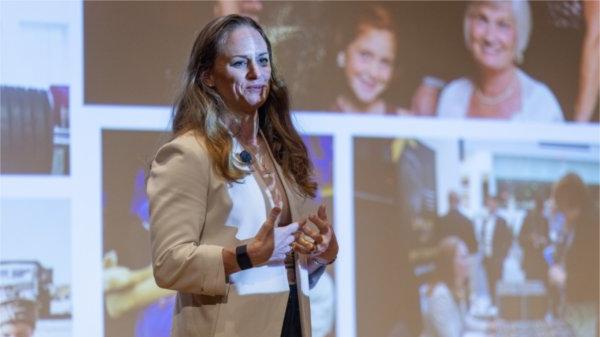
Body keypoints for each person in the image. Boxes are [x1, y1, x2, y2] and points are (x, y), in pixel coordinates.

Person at [147, 15, 338, 337]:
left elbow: (289, 258)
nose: (256, 73)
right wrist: (247, 255)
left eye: (263, 61)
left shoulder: (281, 149)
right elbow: (169, 263)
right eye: (240, 63)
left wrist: (322, 249)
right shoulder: (188, 154)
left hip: (292, 320)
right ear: (208, 75)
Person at [436, 0, 564, 122]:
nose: (490, 37)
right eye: (482, 19)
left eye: (503, 24)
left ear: (520, 33)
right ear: (469, 26)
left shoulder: (540, 103)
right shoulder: (452, 96)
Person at [331, 5, 410, 115]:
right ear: (342, 55)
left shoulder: (403, 122)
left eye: (385, 62)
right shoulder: (317, 118)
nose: (374, 73)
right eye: (365, 56)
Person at [546, 173, 598, 336]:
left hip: (587, 310)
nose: (562, 215)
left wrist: (562, 278)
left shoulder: (592, 227)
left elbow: (591, 279)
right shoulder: (576, 224)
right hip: (575, 308)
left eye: (562, 209)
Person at [421, 236, 494, 337]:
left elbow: (463, 321)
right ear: (449, 262)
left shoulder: (454, 288)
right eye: (463, 257)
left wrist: (488, 327)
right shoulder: (440, 294)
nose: (468, 262)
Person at [479, 196, 512, 303]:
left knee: (498, 282)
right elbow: (483, 238)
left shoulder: (502, 221)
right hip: (487, 257)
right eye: (489, 204)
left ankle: (499, 304)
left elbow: (508, 240)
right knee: (489, 282)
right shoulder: (485, 220)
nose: (491, 206)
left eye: (493, 203)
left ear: (496, 205)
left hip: (498, 258)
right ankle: (492, 303)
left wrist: (503, 256)